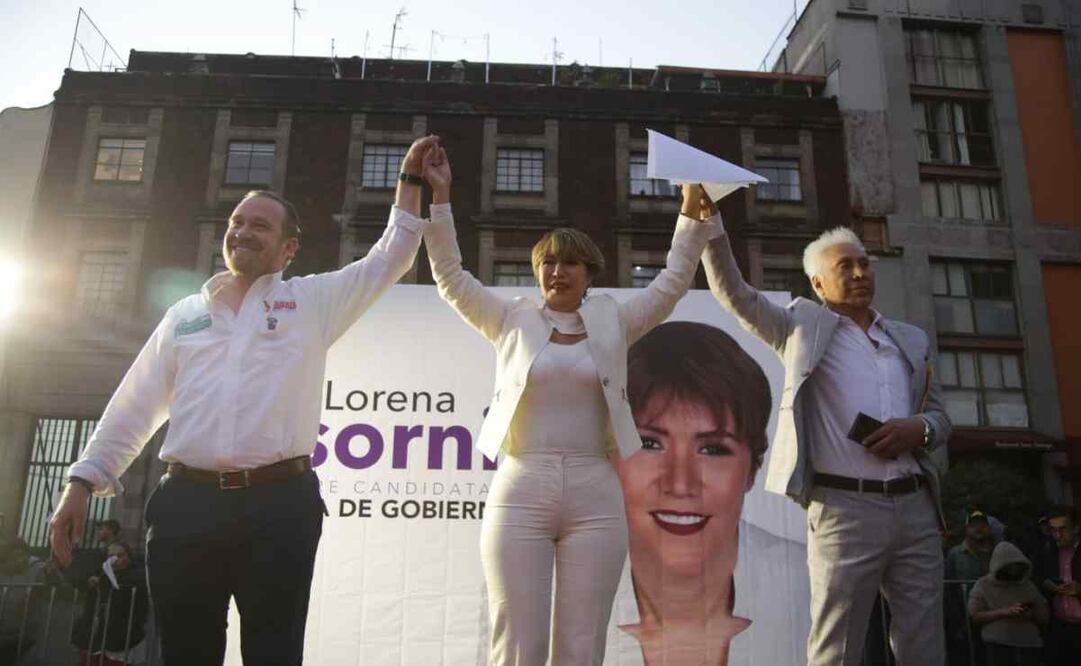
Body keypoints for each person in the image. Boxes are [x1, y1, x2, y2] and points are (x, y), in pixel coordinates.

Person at [49, 135, 442, 665]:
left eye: (260, 225)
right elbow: (134, 406)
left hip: (279, 507)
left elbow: (389, 258)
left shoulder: (311, 302)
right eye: (237, 222)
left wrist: (411, 181)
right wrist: (81, 482)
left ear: (288, 249)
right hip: (186, 506)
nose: (243, 231)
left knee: (273, 654)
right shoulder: (186, 315)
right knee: (186, 655)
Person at [419, 144, 719, 664]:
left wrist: (691, 213)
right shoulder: (509, 319)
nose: (558, 271)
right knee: (518, 642)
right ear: (537, 271)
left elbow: (672, 283)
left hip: (594, 491)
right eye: (548, 262)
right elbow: (450, 275)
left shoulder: (615, 321)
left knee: (582, 646)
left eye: (570, 262)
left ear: (589, 272)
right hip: (522, 486)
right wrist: (440, 197)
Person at [702, 225, 951, 665]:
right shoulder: (799, 327)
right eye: (845, 266)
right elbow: (736, 294)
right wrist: (710, 226)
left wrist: (920, 429)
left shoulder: (909, 339)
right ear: (818, 284)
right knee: (837, 644)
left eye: (864, 264)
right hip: (844, 509)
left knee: (924, 642)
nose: (859, 273)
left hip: (916, 508)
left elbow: (940, 417)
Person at [615, 321, 771, 665]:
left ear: (753, 466)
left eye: (713, 449)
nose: (680, 484)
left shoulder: (809, 580)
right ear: (610, 457)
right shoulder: (555, 585)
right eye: (649, 443)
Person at [967, 541, 1048, 666]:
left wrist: (1030, 614)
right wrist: (1004, 612)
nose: (1014, 570)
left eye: (1017, 566)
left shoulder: (1028, 586)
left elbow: (1044, 617)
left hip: (1029, 643)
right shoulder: (983, 585)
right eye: (1010, 566)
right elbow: (975, 616)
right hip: (997, 644)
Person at [72, 541, 151, 665]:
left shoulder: (137, 573)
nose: (115, 559)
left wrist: (109, 576)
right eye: (111, 556)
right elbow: (78, 582)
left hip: (122, 635)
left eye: (120, 555)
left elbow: (131, 582)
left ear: (128, 556)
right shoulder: (99, 572)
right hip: (95, 634)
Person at [945, 510, 996, 665]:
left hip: (995, 617)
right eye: (973, 525)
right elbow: (949, 592)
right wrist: (956, 622)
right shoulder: (955, 554)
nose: (978, 528)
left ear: (989, 528)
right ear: (967, 529)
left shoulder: (998, 551)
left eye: (982, 524)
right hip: (966, 620)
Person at [1033, 504, 1081, 665]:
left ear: (1076, 527)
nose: (1057, 535)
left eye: (1063, 529)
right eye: (1053, 530)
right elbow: (1036, 575)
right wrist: (1047, 584)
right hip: (1059, 626)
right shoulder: (1047, 551)